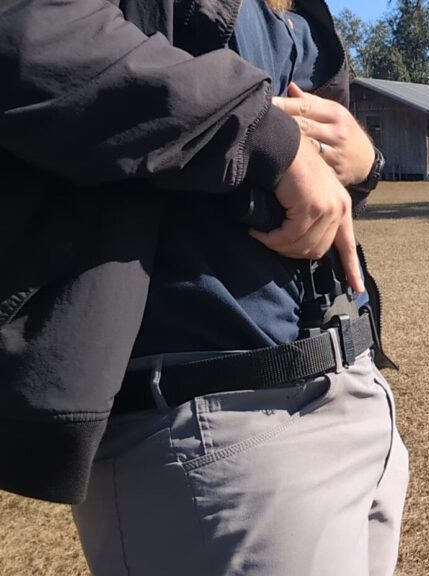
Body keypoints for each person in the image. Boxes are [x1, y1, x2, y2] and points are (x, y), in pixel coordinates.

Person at [0, 0, 407, 574]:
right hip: (213, 428)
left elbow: (300, 194)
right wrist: (266, 135)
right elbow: (29, 32)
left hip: (351, 393)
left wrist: (362, 162)